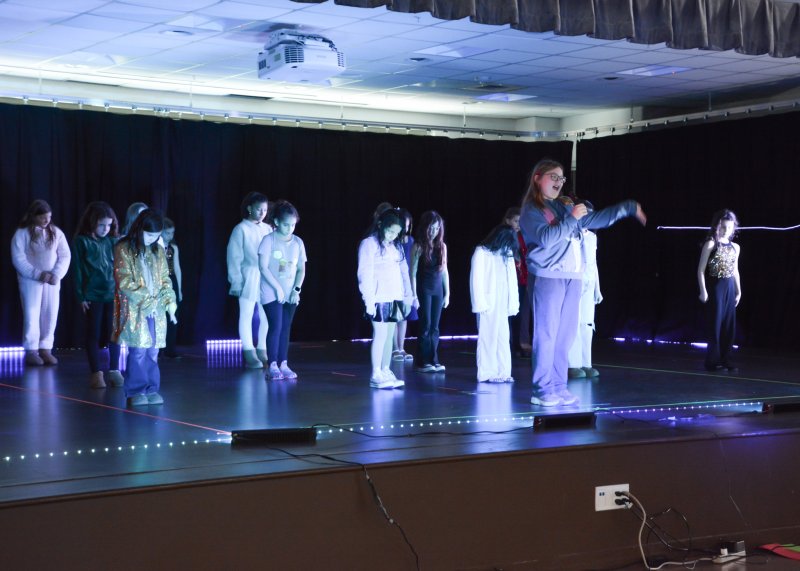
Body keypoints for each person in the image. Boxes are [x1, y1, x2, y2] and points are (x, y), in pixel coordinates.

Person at [520, 158, 646, 407]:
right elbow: (546, 238)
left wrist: (628, 208)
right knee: (547, 335)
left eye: (561, 178)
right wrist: (572, 218)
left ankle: (558, 386)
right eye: (553, 177)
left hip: (573, 278)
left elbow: (596, 219)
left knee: (565, 336)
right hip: (549, 276)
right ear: (537, 178)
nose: (559, 182)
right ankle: (541, 389)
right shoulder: (531, 210)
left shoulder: (562, 207)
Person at [112, 209, 177, 406]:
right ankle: (136, 390)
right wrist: (147, 301)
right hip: (136, 308)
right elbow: (124, 280)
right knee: (139, 350)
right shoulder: (123, 248)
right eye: (149, 235)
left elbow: (165, 278)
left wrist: (170, 301)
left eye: (156, 236)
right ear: (139, 229)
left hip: (157, 310)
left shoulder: (158, 251)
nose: (152, 239)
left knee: (153, 351)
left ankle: (151, 388)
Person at [358, 208, 413, 389]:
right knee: (380, 335)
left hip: (394, 296)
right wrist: (369, 301)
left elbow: (404, 271)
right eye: (390, 231)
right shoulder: (369, 244)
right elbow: (365, 273)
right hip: (378, 297)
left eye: (396, 233)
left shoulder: (396, 246)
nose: (392, 236)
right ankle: (376, 373)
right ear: (381, 225)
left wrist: (408, 296)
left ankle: (386, 369)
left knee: (389, 336)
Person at [11, 199, 71, 366]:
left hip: (51, 281)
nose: (47, 220)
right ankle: (31, 349)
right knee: (32, 313)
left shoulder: (56, 232)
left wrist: (56, 274)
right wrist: (37, 274)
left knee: (50, 313)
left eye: (49, 217)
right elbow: (18, 258)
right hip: (30, 281)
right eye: (43, 217)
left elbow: (65, 255)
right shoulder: (22, 233)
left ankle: (45, 348)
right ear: (33, 216)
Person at [73, 201, 124, 388]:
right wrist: (81, 296)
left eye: (109, 225)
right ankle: (96, 373)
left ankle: (114, 370)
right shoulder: (81, 241)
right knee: (93, 333)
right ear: (92, 222)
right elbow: (78, 270)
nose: (105, 229)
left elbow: (119, 268)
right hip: (92, 295)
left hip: (112, 294)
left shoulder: (112, 241)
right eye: (101, 225)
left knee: (114, 333)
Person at [258, 200, 307, 381]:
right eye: (286, 224)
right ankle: (272, 365)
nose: (290, 228)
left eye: (293, 225)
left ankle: (283, 363)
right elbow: (263, 267)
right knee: (276, 325)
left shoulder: (298, 242)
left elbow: (301, 269)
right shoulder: (268, 240)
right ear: (277, 222)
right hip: (271, 292)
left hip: (290, 293)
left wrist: (296, 290)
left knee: (286, 327)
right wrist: (277, 288)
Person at [470, 224, 520, 383]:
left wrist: (513, 303)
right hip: (488, 302)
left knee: (503, 337)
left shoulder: (507, 254)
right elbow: (476, 280)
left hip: (503, 300)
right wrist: (480, 303)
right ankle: (487, 373)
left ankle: (503, 371)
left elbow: (512, 280)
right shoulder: (482, 252)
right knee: (488, 337)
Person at [227, 192, 271, 369]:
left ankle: (262, 348)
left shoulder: (268, 229)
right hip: (249, 275)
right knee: (246, 314)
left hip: (266, 275)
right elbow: (234, 257)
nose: (262, 213)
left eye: (265, 210)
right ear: (249, 208)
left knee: (266, 315)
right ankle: (248, 351)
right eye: (259, 209)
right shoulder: (241, 229)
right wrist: (236, 281)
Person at [697, 209, 741, 372]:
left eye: (729, 227)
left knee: (729, 326)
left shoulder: (735, 247)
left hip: (730, 287)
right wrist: (703, 290)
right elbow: (700, 270)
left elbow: (735, 270)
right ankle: (712, 361)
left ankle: (725, 359)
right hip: (716, 287)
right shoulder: (711, 244)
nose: (726, 230)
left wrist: (739, 291)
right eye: (723, 227)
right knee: (715, 325)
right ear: (717, 226)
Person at [411, 211, 450, 373]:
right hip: (424, 289)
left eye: (437, 228)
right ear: (425, 227)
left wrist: (447, 294)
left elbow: (445, 271)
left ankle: (434, 359)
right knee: (425, 325)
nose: (434, 231)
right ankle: (423, 361)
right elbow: (412, 273)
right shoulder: (418, 246)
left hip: (438, 290)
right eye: (431, 228)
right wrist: (414, 295)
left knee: (435, 327)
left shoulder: (442, 247)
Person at [567, 227, 602, 379]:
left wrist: (597, 289)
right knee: (573, 323)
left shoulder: (592, 237)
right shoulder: (571, 234)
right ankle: (573, 364)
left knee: (587, 325)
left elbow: (593, 264)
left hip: (589, 284)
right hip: (574, 282)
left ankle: (586, 363)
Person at [503, 207, 531, 357]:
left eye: (520, 221)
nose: (518, 224)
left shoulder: (522, 235)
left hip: (522, 279)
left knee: (521, 312)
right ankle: (510, 344)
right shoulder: (504, 235)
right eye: (515, 221)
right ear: (508, 221)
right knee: (510, 312)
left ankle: (520, 343)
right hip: (509, 279)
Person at [392, 208, 417, 362]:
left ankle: (401, 347)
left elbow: (412, 265)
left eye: (408, 226)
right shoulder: (392, 240)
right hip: (394, 281)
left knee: (404, 316)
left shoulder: (411, 241)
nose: (405, 229)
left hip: (406, 281)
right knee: (395, 316)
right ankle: (395, 348)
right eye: (404, 225)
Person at [161, 217, 183, 359]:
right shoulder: (155, 247)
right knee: (160, 315)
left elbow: (177, 268)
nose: (170, 236)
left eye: (172, 233)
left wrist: (179, 290)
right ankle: (158, 349)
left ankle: (170, 348)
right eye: (167, 233)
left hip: (171, 280)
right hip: (159, 282)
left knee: (172, 314)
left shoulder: (173, 248)